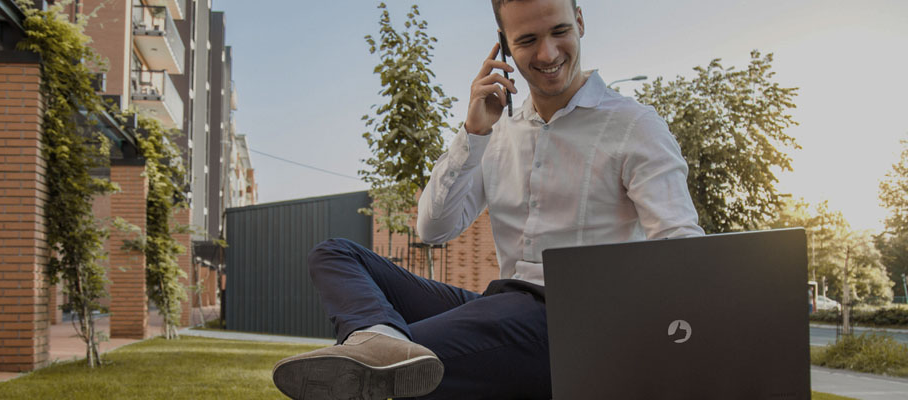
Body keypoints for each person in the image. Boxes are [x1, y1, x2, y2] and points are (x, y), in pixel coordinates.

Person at [271, 0, 704, 399]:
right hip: (501, 304)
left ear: (581, 22)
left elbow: (680, 245)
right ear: (504, 48)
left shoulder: (634, 126)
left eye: (559, 32)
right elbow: (434, 228)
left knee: (416, 368)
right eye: (528, 40)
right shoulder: (496, 133)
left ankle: (389, 356)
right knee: (335, 254)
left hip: (576, 321)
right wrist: (473, 133)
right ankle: (378, 338)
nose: (549, 54)